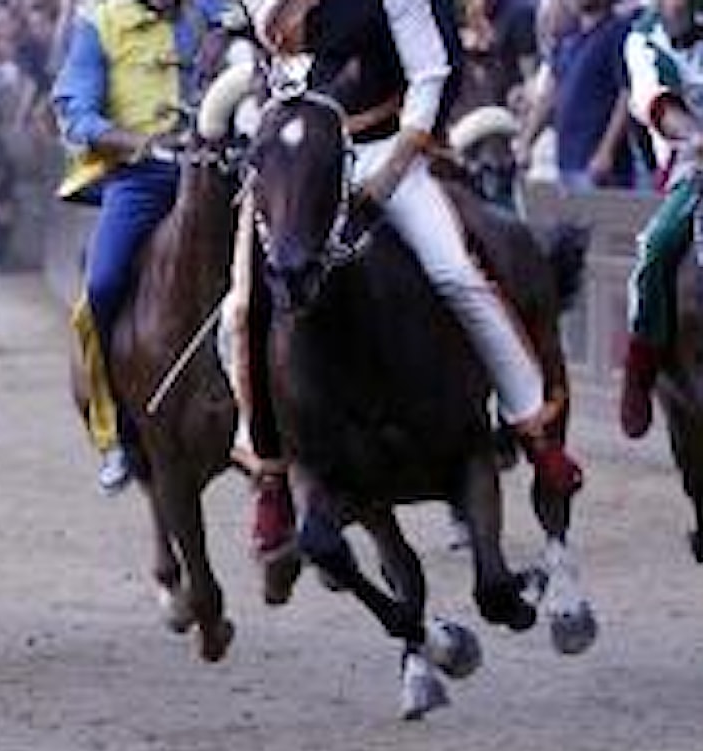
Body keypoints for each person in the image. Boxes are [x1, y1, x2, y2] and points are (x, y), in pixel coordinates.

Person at [249, 0, 584, 496]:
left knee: (457, 272)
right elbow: (276, 61)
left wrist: (395, 165)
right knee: (242, 298)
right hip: (304, 160)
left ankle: (531, 424)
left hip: (385, 151)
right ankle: (270, 470)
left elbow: (428, 74)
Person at [52, 0, 231, 493]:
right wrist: (134, 142)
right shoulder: (99, 21)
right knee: (103, 284)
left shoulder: (218, 10)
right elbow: (75, 112)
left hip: (224, 167)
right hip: (143, 176)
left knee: (296, 250)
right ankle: (116, 432)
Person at [618, 0, 703, 437]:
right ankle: (642, 366)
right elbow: (658, 103)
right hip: (693, 164)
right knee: (658, 245)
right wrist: (695, 136)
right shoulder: (643, 38)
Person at [513, 0, 636, 190]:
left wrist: (606, 150)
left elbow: (626, 94)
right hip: (567, 159)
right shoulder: (569, 38)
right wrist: (526, 141)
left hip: (600, 166)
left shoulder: (618, 33)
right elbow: (549, 96)